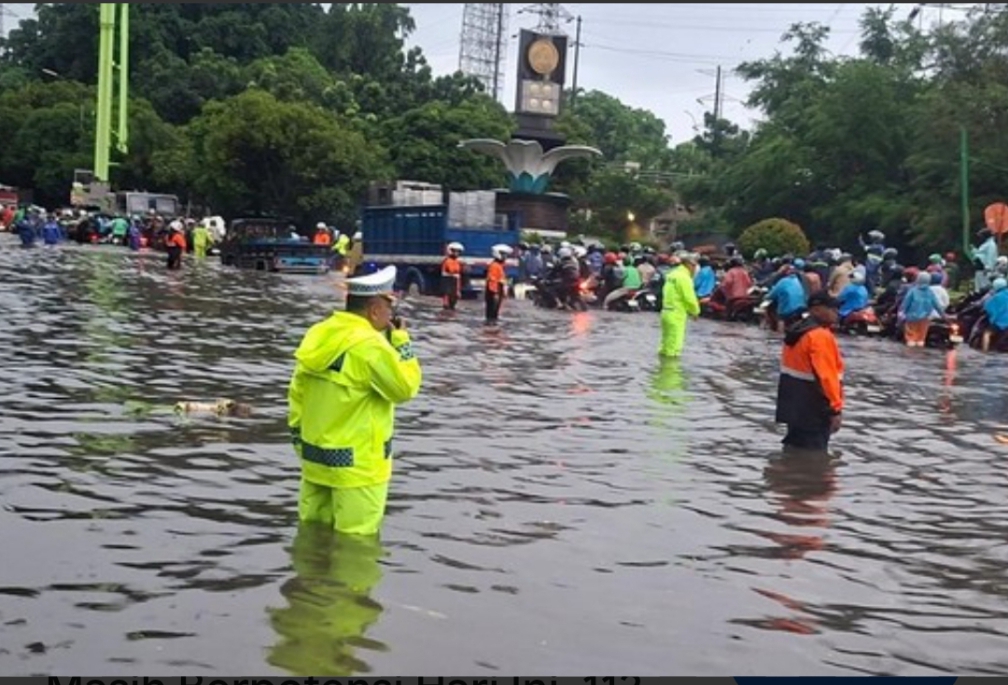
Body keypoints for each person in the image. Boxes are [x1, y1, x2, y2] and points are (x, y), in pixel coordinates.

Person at [287, 265, 422, 536]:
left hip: (315, 459)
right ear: (374, 309)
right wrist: (402, 342)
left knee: (311, 538)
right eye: (389, 308)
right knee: (356, 547)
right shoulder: (370, 346)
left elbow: (297, 393)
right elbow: (405, 388)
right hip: (358, 468)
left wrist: (299, 441)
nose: (391, 316)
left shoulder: (319, 333)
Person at [775, 291, 845, 451]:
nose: (836, 312)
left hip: (794, 406)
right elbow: (827, 378)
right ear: (816, 310)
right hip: (815, 408)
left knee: (794, 450)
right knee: (814, 457)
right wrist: (835, 410)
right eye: (832, 308)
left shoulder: (797, 332)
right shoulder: (820, 336)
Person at [659, 253, 701, 358]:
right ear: (689, 265)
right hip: (676, 313)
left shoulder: (672, 274)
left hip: (666, 311)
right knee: (673, 349)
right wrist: (695, 312)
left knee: (665, 344)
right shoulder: (684, 277)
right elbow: (689, 298)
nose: (695, 269)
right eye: (694, 266)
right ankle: (670, 368)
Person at [899, 271, 944, 347]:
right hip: (925, 318)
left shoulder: (913, 291)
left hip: (911, 317)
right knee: (921, 339)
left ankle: (910, 348)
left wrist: (902, 312)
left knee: (911, 338)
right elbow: (937, 305)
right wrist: (943, 315)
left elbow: (906, 302)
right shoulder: (930, 292)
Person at [485, 244, 511, 324]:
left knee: (495, 312)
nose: (505, 257)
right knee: (492, 313)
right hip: (494, 291)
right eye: (503, 254)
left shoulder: (499, 265)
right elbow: (492, 280)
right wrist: (495, 293)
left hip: (497, 291)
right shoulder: (494, 266)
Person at [440, 241, 464, 310]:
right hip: (448, 281)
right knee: (447, 300)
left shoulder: (456, 261)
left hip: (454, 282)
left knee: (454, 300)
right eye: (455, 251)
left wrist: (458, 290)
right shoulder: (448, 261)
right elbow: (452, 270)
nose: (457, 253)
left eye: (458, 252)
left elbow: (458, 273)